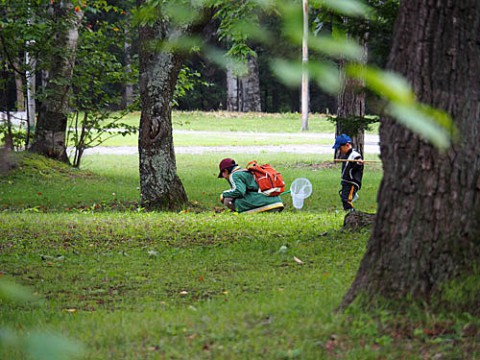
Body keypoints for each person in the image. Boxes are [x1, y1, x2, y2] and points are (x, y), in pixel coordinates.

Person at [218, 158, 285, 214]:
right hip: (277, 202)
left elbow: (239, 191)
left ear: (225, 171)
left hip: (267, 204)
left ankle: (239, 212)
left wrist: (224, 194)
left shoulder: (234, 175)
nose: (223, 177)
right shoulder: (245, 172)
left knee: (227, 199)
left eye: (222, 174)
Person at [332, 134, 364, 211]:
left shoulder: (355, 155)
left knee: (347, 199)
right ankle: (346, 211)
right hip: (346, 181)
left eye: (340, 148)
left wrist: (359, 162)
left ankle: (351, 212)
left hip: (352, 182)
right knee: (343, 197)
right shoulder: (346, 155)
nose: (340, 150)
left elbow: (358, 163)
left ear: (347, 145)